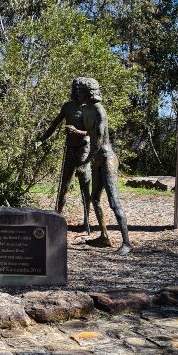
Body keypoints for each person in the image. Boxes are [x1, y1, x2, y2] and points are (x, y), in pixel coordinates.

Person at [67, 77, 132, 255]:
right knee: (95, 198)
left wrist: (85, 163)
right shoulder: (86, 109)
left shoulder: (98, 110)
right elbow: (90, 133)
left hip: (106, 159)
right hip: (96, 159)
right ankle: (104, 236)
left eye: (80, 90)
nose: (77, 93)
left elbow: (99, 141)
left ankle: (126, 242)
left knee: (113, 202)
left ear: (88, 92)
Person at [36, 78, 95, 234]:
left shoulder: (89, 108)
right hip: (70, 149)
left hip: (84, 149)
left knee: (84, 186)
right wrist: (41, 140)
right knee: (63, 187)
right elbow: (54, 124)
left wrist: (77, 132)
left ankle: (86, 221)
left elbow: (94, 133)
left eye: (79, 89)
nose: (76, 92)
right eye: (74, 89)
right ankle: (58, 219)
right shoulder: (67, 107)